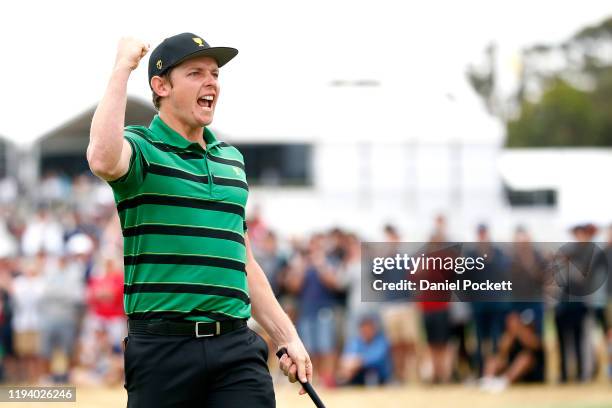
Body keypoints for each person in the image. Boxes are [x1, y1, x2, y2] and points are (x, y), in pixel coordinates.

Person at [87, 33, 311, 407]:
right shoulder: (142, 147)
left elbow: (242, 261)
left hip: (236, 347)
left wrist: (287, 336)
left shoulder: (231, 160)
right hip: (163, 351)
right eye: (195, 73)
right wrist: (122, 69)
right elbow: (101, 158)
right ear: (161, 86)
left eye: (215, 74)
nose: (211, 82)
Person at [337, 314, 392, 386]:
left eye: (368, 327)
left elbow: (377, 358)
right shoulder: (355, 341)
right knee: (348, 369)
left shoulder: (381, 340)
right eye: (364, 327)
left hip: (377, 374)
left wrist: (360, 361)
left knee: (370, 372)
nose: (366, 330)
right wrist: (353, 364)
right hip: (357, 372)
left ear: (374, 328)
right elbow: (345, 358)